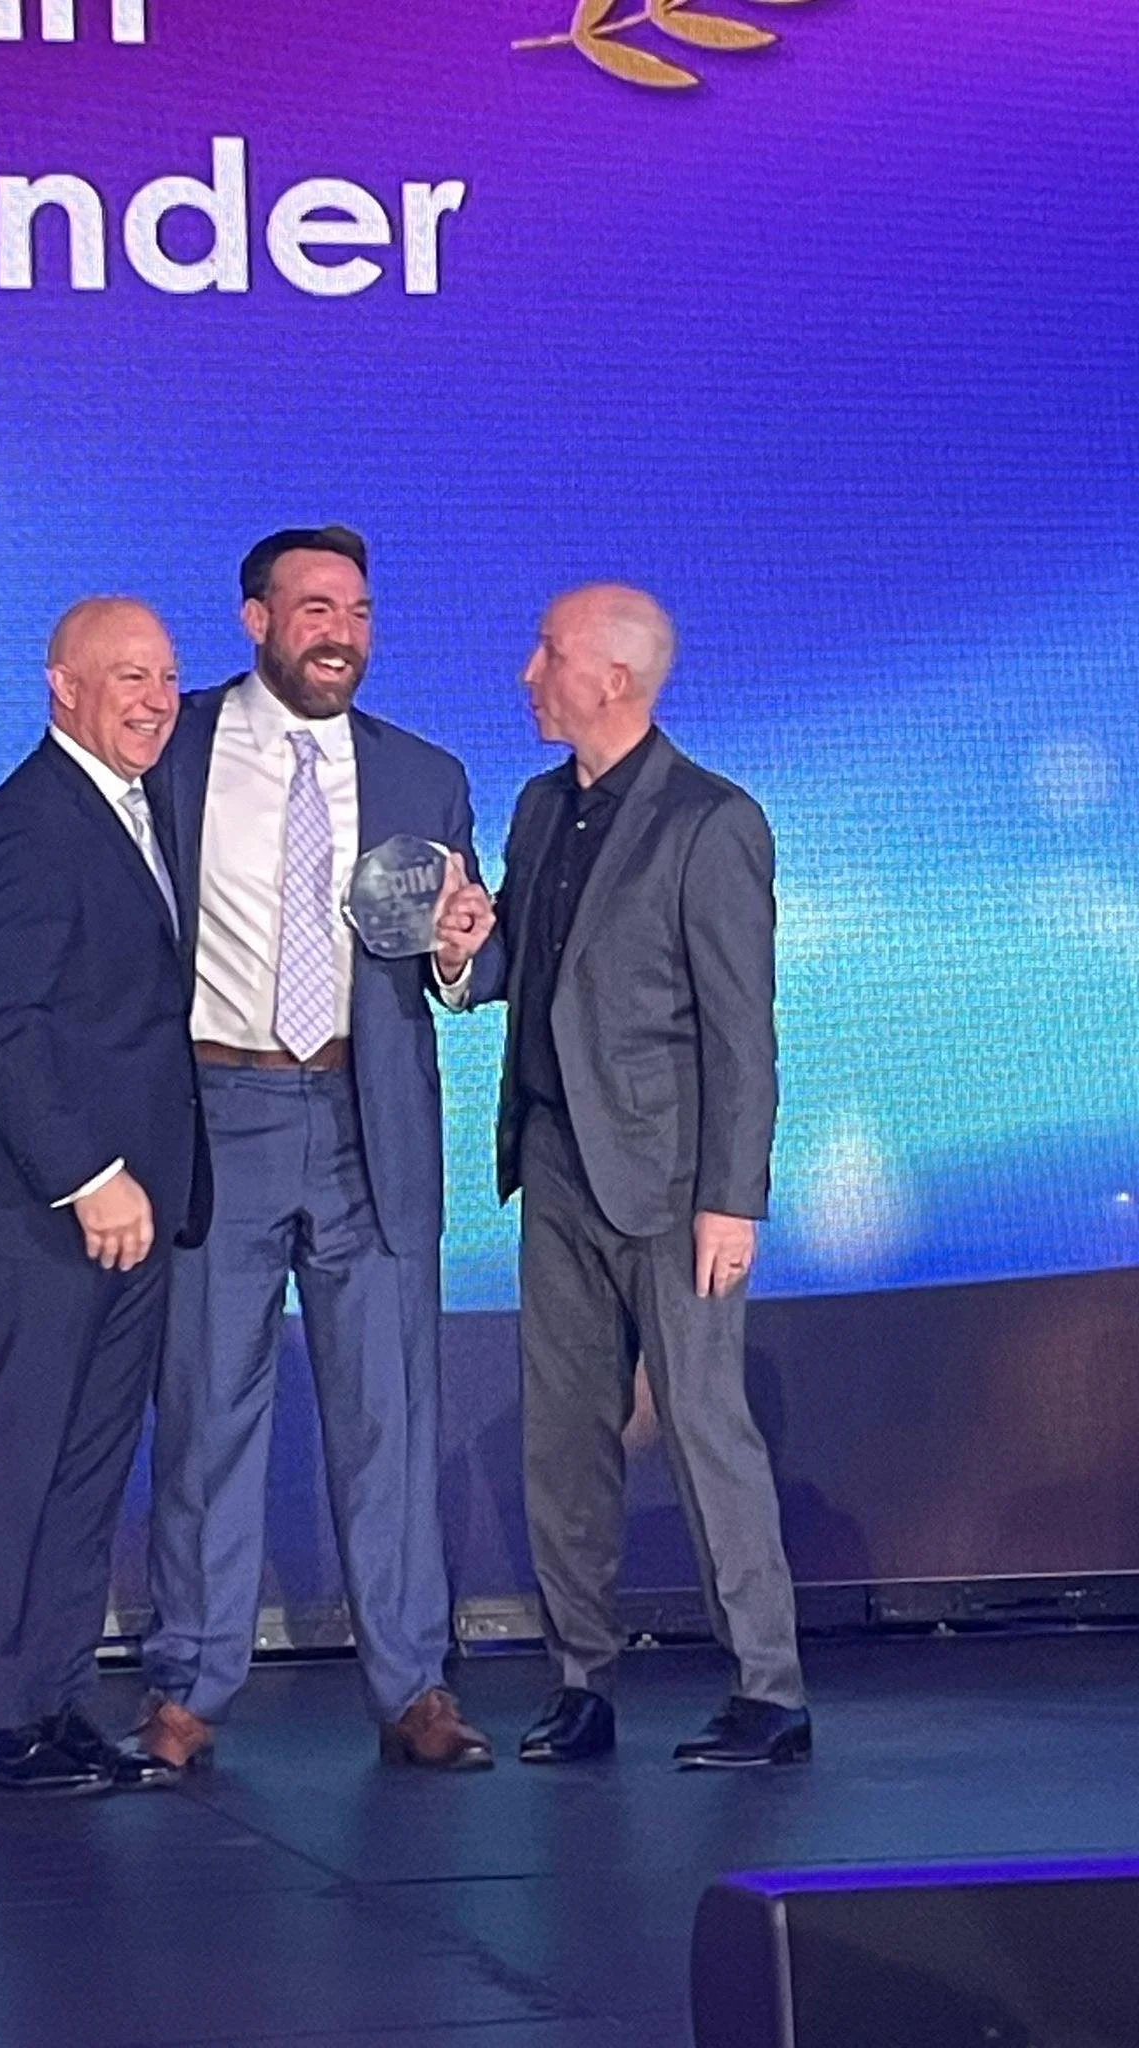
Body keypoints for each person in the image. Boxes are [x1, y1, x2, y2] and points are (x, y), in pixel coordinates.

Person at [133, 525, 500, 1772]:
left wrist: (462, 943)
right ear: (254, 619)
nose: (339, 631)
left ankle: (415, 1688)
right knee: (205, 1414)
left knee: (389, 1414)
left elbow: (472, 950)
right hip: (213, 1113)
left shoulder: (424, 773)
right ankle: (189, 1684)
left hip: (366, 1121)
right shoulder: (172, 745)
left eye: (355, 609)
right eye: (312, 608)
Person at [490, 583, 809, 1770]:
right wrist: (468, 948)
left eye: (548, 650)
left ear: (612, 678)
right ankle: (581, 1680)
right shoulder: (536, 808)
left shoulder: (710, 822)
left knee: (704, 1425)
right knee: (562, 1438)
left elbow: (741, 1030)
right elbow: (526, 971)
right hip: (558, 1169)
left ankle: (769, 1689)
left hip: (673, 1186)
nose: (529, 670)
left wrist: (735, 1193)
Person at [0, 597, 209, 1796]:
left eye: (165, 675)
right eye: (127, 676)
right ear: (62, 685)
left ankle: (49, 1700)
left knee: (89, 1464)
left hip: (137, 1205)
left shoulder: (135, 808)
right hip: (49, 1207)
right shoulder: (28, 825)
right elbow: (2, 1030)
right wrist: (89, 1177)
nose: (154, 698)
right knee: (17, 1458)